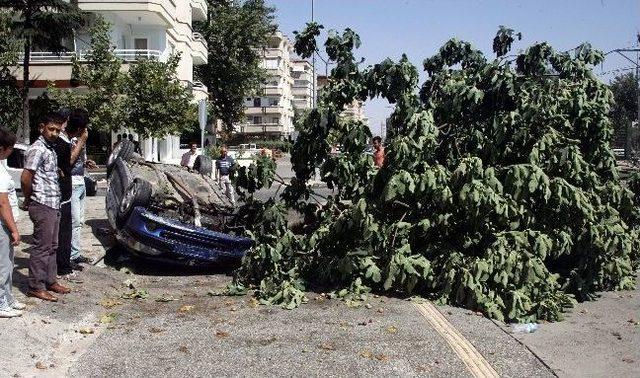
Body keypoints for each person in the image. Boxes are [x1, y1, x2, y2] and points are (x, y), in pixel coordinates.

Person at [21, 111, 71, 302]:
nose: (55, 133)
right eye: (51, 129)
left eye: (58, 130)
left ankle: (50, 280)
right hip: (42, 203)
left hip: (53, 202)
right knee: (41, 247)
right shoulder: (38, 149)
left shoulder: (50, 148)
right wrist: (29, 198)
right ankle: (36, 286)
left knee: (53, 246)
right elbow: (26, 178)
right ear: (41, 127)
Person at [0, 127, 25, 318]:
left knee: (8, 263)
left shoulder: (2, 165)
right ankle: (2, 303)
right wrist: (14, 230)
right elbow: (2, 202)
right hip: (2, 224)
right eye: (10, 148)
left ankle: (8, 298)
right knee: (3, 265)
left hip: (5, 223)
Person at [68, 109, 95, 266]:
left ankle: (75, 253)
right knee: (74, 221)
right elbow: (70, 160)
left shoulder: (78, 139)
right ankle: (71, 255)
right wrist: (82, 141)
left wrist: (85, 162)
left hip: (80, 181)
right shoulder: (70, 139)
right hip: (71, 183)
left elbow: (77, 159)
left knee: (79, 221)